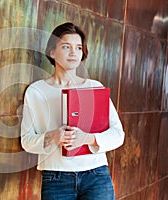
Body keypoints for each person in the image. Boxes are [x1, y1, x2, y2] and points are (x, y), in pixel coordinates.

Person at [20, 22, 125, 200]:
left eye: (78, 48)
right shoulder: (36, 91)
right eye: (66, 47)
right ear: (52, 52)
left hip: (96, 176)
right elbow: (26, 141)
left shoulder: (95, 88)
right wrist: (53, 136)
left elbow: (118, 135)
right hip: (56, 178)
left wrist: (88, 138)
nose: (73, 53)